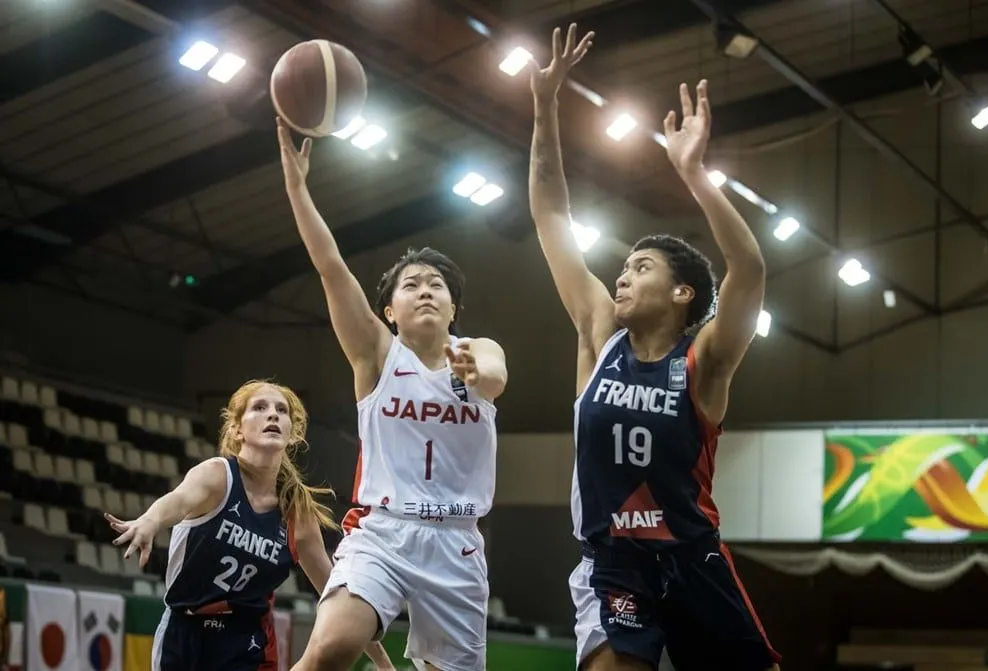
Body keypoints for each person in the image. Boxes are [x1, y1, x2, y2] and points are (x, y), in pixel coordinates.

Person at [526, 24, 780, 671]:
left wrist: (694, 173)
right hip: (616, 563)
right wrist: (545, 106)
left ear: (684, 293)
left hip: (693, 556)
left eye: (641, 267)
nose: (622, 275)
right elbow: (552, 213)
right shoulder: (597, 333)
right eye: (625, 266)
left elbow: (748, 270)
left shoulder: (706, 360)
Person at [276, 116, 507, 671]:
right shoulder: (377, 355)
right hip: (384, 530)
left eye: (437, 285)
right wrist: (297, 189)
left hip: (457, 543)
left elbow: (495, 378)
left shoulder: (480, 348)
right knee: (332, 646)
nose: (425, 289)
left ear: (453, 307)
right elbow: (331, 268)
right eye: (411, 284)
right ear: (389, 310)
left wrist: (475, 369)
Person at [104, 380, 395, 671]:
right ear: (236, 430)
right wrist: (149, 521)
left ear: (292, 434)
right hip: (185, 629)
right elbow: (178, 500)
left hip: (247, 642)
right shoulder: (217, 475)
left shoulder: (297, 509)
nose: (273, 415)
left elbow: (336, 596)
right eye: (260, 407)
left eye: (281, 410)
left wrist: (383, 662)